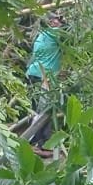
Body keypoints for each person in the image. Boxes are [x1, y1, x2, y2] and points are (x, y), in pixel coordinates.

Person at [25, 12, 64, 151]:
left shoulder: (40, 36)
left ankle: (32, 140)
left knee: (36, 110)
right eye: (57, 19)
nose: (60, 22)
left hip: (32, 73)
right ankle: (44, 145)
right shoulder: (55, 34)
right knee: (46, 110)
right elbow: (74, 36)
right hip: (45, 77)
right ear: (51, 22)